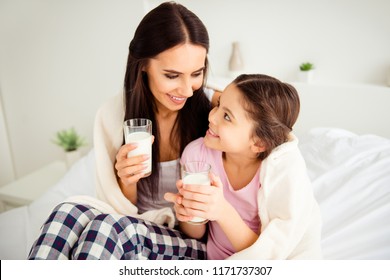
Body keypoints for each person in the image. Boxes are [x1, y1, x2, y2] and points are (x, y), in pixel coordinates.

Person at [28, 1, 219, 260]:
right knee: (66, 213)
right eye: (172, 76)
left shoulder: (217, 109)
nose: (187, 90)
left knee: (106, 228)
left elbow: (269, 126)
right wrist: (126, 180)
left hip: (188, 240)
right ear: (143, 65)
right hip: (134, 224)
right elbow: (120, 207)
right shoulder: (114, 115)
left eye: (197, 73)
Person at [165, 74, 322, 259]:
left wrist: (222, 211)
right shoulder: (197, 155)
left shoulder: (276, 174)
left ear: (259, 143)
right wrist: (189, 212)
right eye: (218, 105)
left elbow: (266, 253)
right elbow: (196, 234)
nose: (212, 117)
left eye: (227, 116)